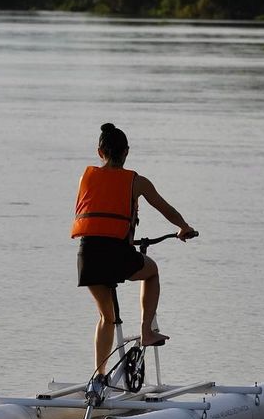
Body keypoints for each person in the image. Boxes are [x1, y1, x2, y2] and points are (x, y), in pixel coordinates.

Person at [71, 123, 197, 376]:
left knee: (106, 317)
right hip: (117, 254)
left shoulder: (87, 177)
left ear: (99, 152)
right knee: (152, 272)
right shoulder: (136, 182)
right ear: (126, 152)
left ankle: (100, 375)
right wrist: (184, 227)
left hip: (87, 256)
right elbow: (165, 209)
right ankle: (146, 331)